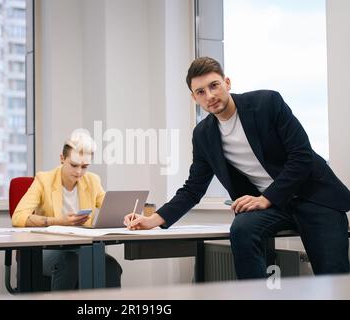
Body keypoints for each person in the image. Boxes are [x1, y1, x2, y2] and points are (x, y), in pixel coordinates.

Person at [124, 56, 350, 279]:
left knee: (332, 279)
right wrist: (154, 219)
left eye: (214, 85)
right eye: (201, 92)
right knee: (242, 229)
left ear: (227, 83)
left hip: (314, 196)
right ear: (194, 98)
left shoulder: (267, 103)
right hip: (274, 207)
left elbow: (301, 157)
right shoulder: (203, 135)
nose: (210, 96)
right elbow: (193, 188)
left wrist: (265, 198)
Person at [12, 131, 122, 290]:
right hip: (46, 249)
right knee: (69, 262)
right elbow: (18, 217)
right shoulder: (44, 180)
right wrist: (58, 221)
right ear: (62, 159)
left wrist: (130, 215)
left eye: (84, 167)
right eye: (74, 165)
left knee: (110, 266)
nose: (79, 172)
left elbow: (111, 208)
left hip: (82, 248)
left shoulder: (92, 181)